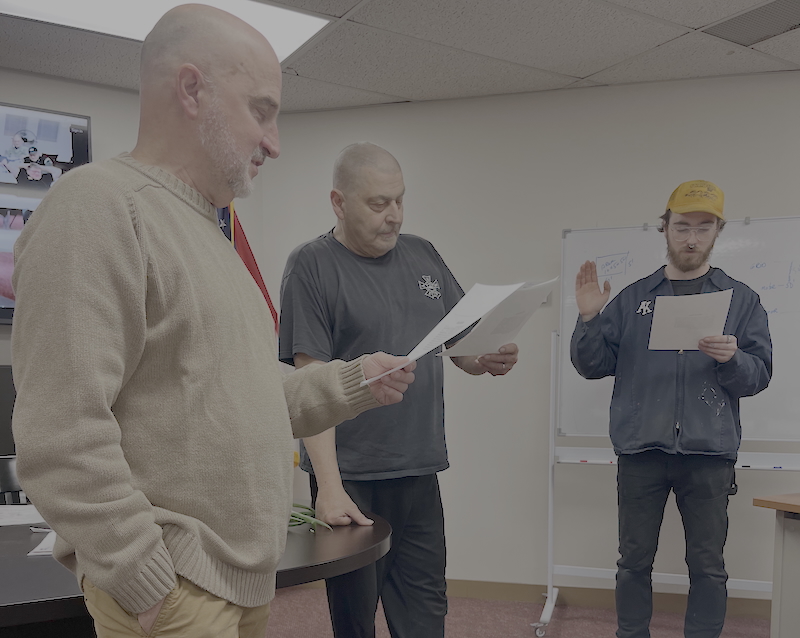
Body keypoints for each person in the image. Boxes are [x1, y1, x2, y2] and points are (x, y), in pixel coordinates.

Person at [11, 7, 415, 638]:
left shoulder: (208, 232)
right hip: (175, 585)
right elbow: (60, 430)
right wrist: (142, 574)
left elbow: (253, 396)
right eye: (261, 111)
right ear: (191, 90)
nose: (274, 142)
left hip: (235, 580)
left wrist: (357, 380)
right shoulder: (97, 207)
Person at [279, 142, 519, 638]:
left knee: (426, 616)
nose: (394, 215)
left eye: (400, 200)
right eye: (378, 203)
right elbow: (310, 387)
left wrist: (485, 359)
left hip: (419, 471)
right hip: (353, 480)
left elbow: (460, 346)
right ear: (338, 202)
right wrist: (329, 488)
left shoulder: (422, 254)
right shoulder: (311, 265)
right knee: (356, 623)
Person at [570, 180, 772, 638]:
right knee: (633, 561)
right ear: (664, 228)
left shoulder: (741, 300)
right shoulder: (634, 298)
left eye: (703, 228)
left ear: (718, 231)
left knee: (707, 564)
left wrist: (733, 359)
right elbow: (592, 366)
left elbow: (758, 375)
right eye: (682, 227)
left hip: (708, 454)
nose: (691, 238)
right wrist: (589, 318)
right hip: (641, 449)